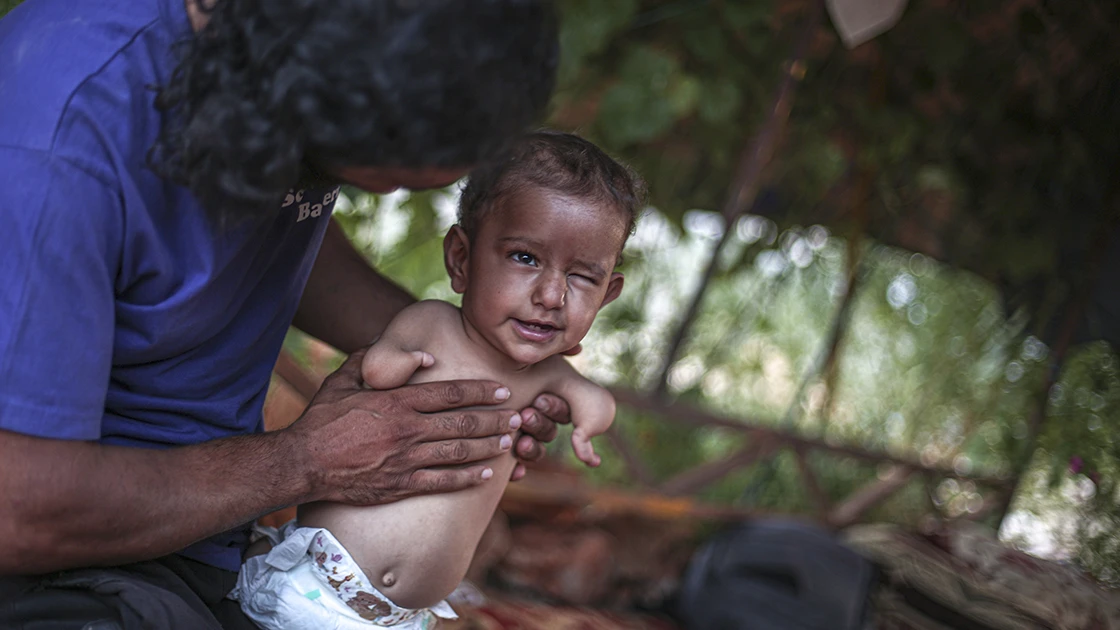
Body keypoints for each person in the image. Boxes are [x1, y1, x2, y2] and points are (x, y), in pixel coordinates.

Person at [0, 0, 572, 628]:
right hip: (59, 557)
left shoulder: (281, 67)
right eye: (383, 168)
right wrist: (307, 461)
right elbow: (20, 510)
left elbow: (262, 222)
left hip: (198, 541)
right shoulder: (60, 141)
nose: (397, 188)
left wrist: (470, 362)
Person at [231, 130, 646, 629]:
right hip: (317, 584)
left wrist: (587, 424)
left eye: (582, 277)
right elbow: (377, 368)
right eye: (525, 258)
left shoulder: (547, 375)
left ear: (607, 294)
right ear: (461, 259)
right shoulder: (432, 324)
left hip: (398, 617)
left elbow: (594, 399)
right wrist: (397, 363)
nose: (552, 295)